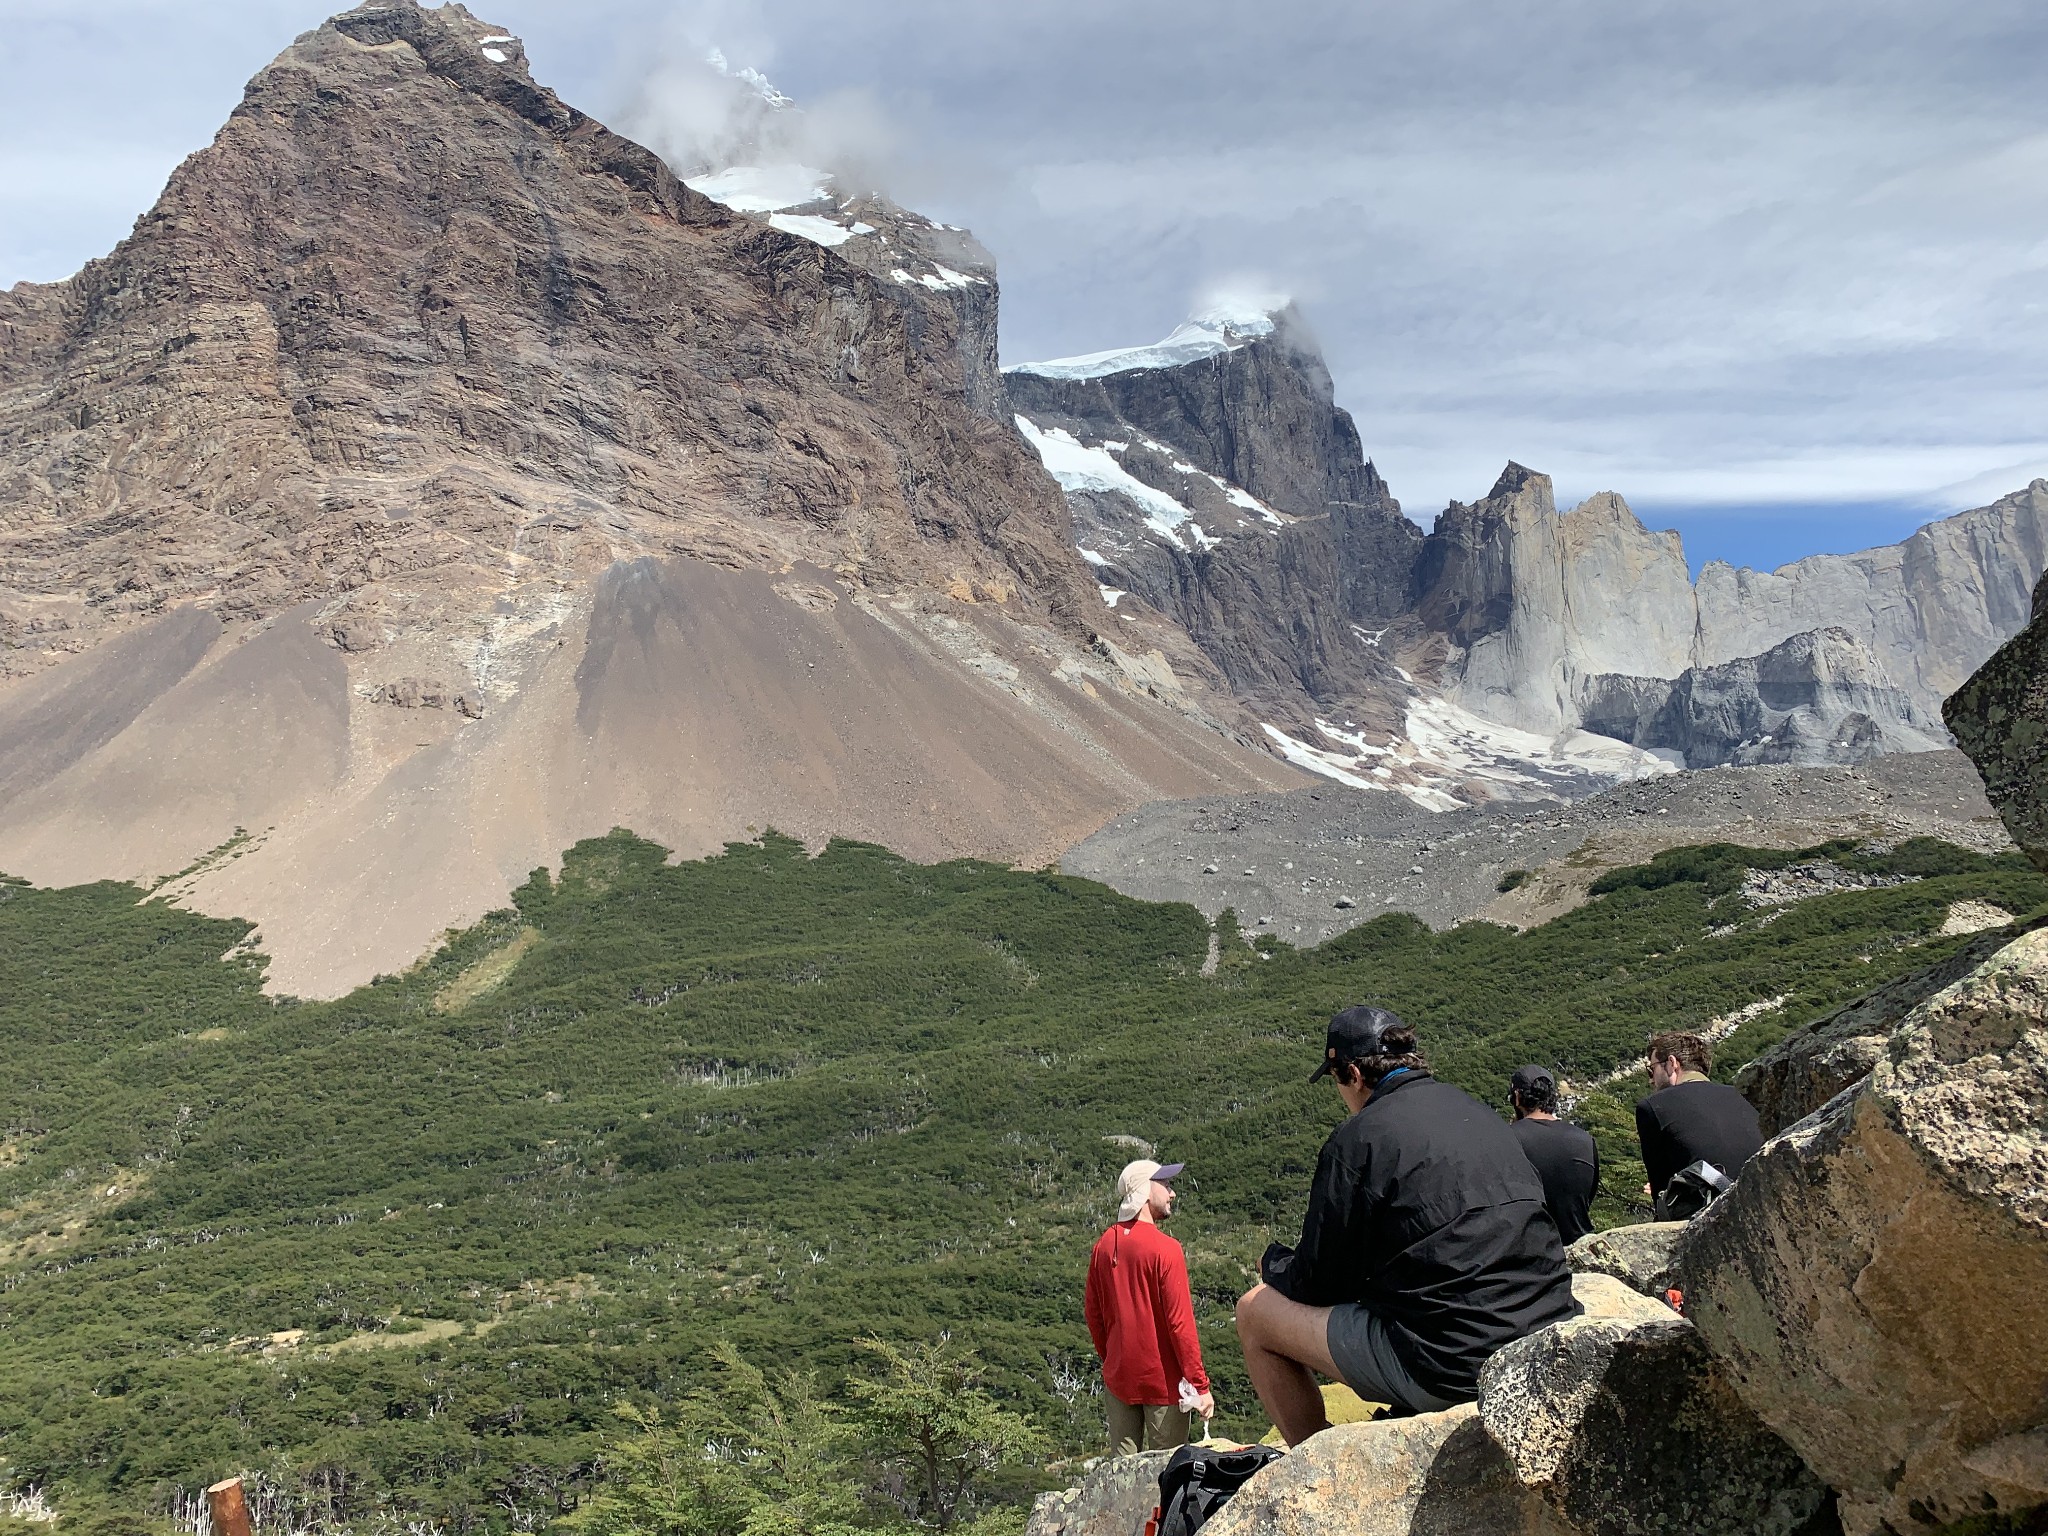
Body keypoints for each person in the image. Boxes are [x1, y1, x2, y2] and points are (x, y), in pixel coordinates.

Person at [1235, 1007, 1578, 1445]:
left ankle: (1315, 1465)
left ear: (1355, 1074)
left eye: (1337, 1080)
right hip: (1545, 1334)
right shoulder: (1478, 1113)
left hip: (1453, 1364)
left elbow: (1316, 1285)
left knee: (1254, 1312)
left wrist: (1275, 1265)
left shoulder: (1357, 1141)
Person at [1084, 1158, 1215, 1455]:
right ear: (1145, 1190)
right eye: (1166, 1185)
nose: (1172, 1194)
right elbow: (1180, 1324)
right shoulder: (1166, 1249)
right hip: (1164, 1385)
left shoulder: (1103, 1246)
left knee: (1123, 1475)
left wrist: (1113, 1358)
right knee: (1167, 1475)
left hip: (1118, 1381)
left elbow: (1093, 1315)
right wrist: (1200, 1386)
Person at [1634, 1031, 1763, 1216]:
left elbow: (1661, 1192)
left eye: (1652, 1070)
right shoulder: (1740, 1095)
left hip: (1713, 1211)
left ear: (1672, 1064)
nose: (1651, 1080)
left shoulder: (1652, 1106)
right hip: (1762, 1194)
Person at [1507, 1064, 1599, 1245]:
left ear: (1517, 1098)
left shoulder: (1507, 1137)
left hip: (1530, 1249)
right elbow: (1588, 1194)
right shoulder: (1585, 1139)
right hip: (1579, 1245)